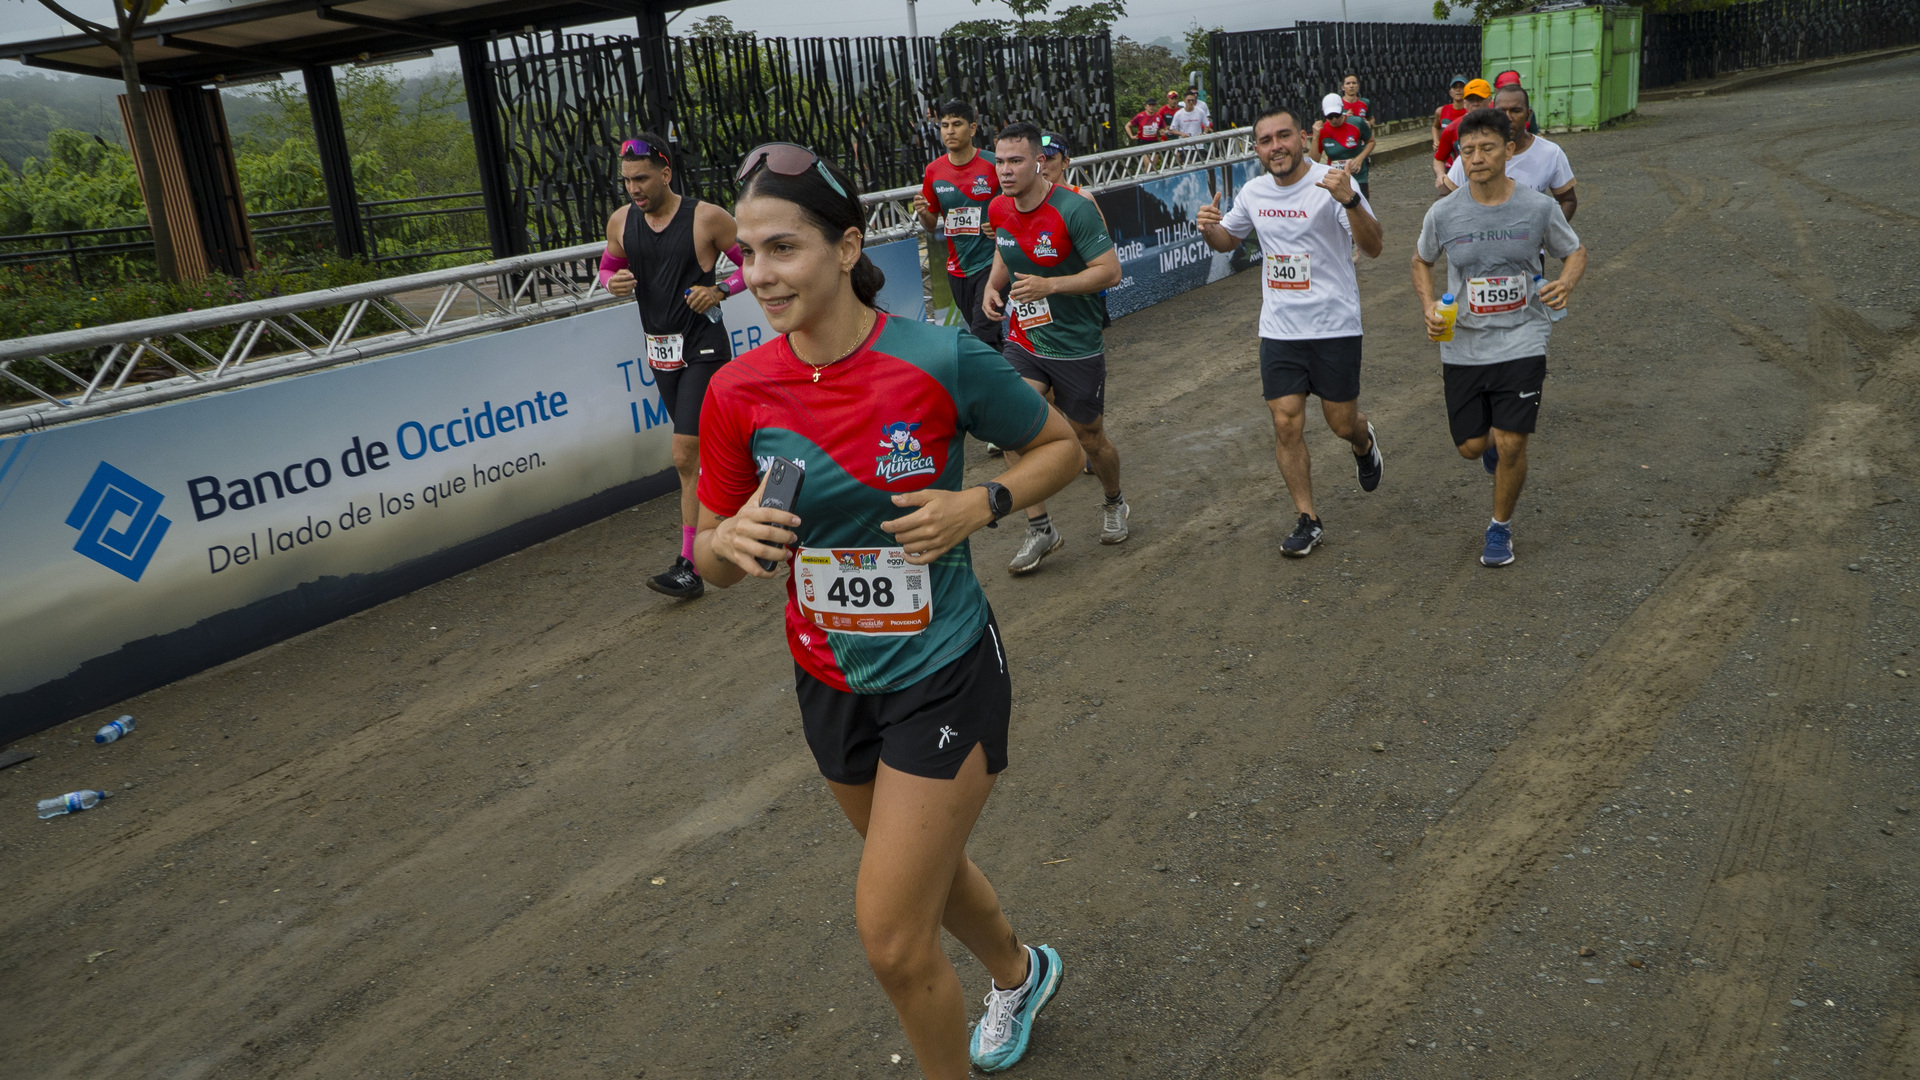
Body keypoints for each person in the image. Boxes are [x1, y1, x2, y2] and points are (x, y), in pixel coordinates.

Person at [697, 143, 1084, 1079]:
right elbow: (707, 556)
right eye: (746, 254)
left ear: (846, 247)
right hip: (828, 677)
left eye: (782, 248)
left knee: (893, 939)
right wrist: (728, 541)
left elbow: (1061, 447)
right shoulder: (736, 391)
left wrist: (980, 503)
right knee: (925, 877)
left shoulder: (935, 356)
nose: (759, 275)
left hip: (942, 667)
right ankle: (1020, 972)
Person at [1196, 105, 1384, 558]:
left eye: (1284, 136)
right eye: (1265, 140)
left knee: (1341, 423)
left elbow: (1374, 246)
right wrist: (1208, 228)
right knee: (1285, 422)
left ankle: (1363, 441)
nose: (1275, 146)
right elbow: (1228, 241)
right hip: (1280, 328)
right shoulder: (1254, 191)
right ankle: (1307, 518)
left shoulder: (1333, 183)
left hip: (1334, 325)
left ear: (1303, 138)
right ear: (1257, 149)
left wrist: (1350, 200)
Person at [1412, 108, 1587, 568]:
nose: (1476, 158)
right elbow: (1421, 260)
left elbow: (1574, 252)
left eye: (1487, 148)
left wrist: (1566, 283)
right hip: (1464, 343)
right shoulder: (1444, 213)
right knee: (1472, 447)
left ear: (1509, 150)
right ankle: (1492, 441)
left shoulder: (1538, 207)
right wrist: (1428, 305)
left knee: (1512, 442)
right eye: (1467, 150)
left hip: (1523, 335)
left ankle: (1499, 528)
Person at [981, 122, 1128, 573]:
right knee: (1011, 421)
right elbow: (1006, 247)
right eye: (999, 162)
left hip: (1076, 344)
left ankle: (1114, 500)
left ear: (1039, 162)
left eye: (1015, 161)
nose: (1005, 170)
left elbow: (1110, 272)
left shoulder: (1074, 208)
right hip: (1025, 338)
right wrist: (992, 285)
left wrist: (1052, 285)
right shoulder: (998, 207)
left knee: (1090, 438)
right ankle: (1040, 527)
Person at [602, 133, 739, 600]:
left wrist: (720, 290)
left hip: (704, 346)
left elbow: (755, 263)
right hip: (661, 350)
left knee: (684, 454)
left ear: (666, 173)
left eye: (641, 179)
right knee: (701, 457)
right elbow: (607, 268)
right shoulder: (621, 221)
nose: (633, 189)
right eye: (627, 181)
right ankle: (742, 514)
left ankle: (690, 566)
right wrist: (612, 282)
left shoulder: (706, 217)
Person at [913, 100, 1002, 352]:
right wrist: (923, 213)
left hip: (991, 263)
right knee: (987, 336)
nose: (950, 131)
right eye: (944, 125)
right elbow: (931, 224)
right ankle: (1011, 371)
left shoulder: (993, 163)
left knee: (982, 336)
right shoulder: (933, 171)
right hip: (958, 269)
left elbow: (1016, 204)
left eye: (957, 124)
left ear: (972, 128)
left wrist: (1000, 225)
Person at [1443, 85, 1576, 224]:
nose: (1508, 118)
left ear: (1528, 114)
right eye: (1501, 111)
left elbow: (1568, 200)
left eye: (1516, 111)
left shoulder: (1550, 153)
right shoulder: (1475, 155)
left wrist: (1548, 231)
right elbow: (1444, 198)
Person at [1313, 91, 1377, 205]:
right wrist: (1315, 138)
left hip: (1358, 175)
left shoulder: (1357, 122)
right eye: (1329, 116)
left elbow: (1371, 141)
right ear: (1323, 113)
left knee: (1361, 206)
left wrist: (1359, 158)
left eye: (1337, 115)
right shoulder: (1322, 130)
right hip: (1336, 178)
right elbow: (1314, 160)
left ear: (1342, 110)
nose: (1334, 119)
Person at [1431, 78, 1493, 190]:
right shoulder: (1452, 129)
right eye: (1471, 100)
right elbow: (1439, 159)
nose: (1475, 104)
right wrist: (1441, 175)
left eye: (1480, 99)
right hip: (1464, 186)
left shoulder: (1500, 126)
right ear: (1464, 103)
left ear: (1490, 101)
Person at [1432, 75, 1472, 156]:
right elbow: (1435, 127)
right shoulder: (1441, 111)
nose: (1458, 90)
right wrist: (1436, 141)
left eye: (1462, 87)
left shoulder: (1472, 112)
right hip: (1448, 160)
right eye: (1455, 87)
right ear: (1450, 92)